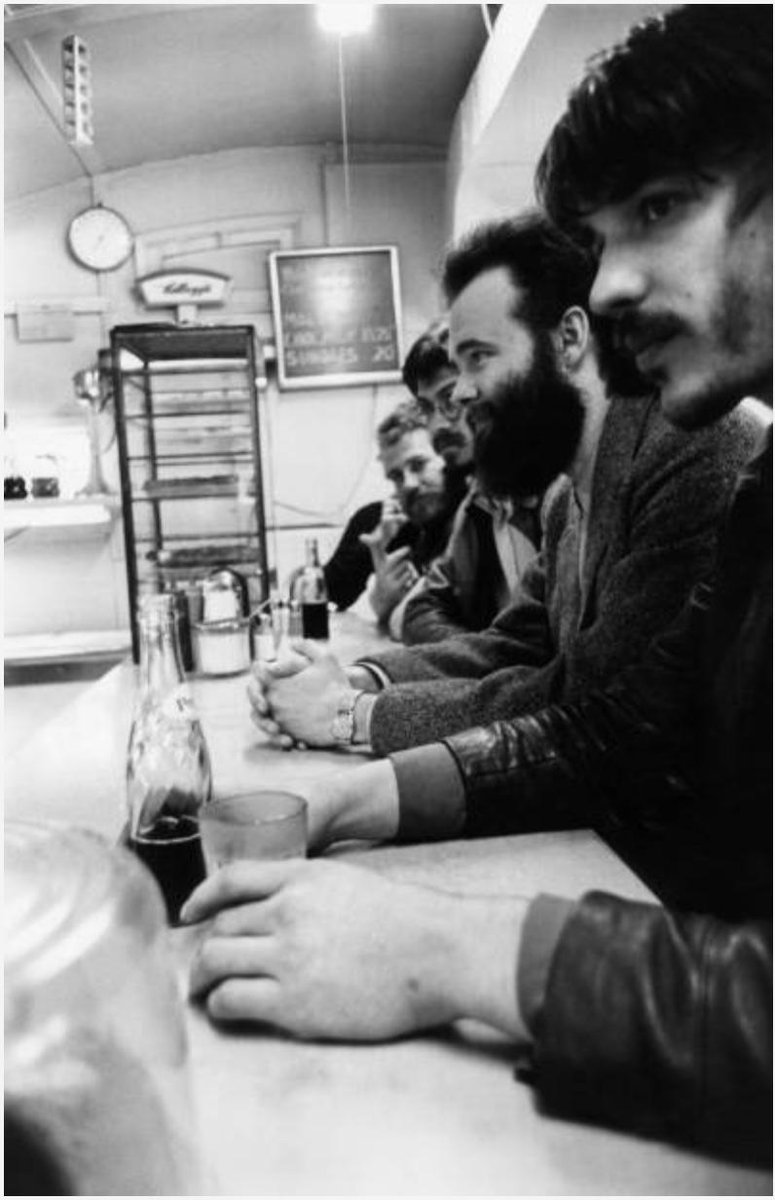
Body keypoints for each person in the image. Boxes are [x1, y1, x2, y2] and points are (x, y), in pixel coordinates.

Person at [184, 5, 772, 1163]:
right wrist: (366, 792)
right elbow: (615, 729)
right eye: (601, 240)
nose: (608, 289)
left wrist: (452, 950)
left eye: (661, 207)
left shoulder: (707, 452)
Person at [248, 213, 760, 754]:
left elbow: (597, 698)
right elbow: (511, 645)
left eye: (479, 357)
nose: (462, 395)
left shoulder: (692, 445)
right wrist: (355, 679)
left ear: (569, 339)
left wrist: (349, 716)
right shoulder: (566, 500)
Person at [401, 318, 544, 643]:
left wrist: (479, 658)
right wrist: (476, 655)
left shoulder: (557, 490)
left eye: (450, 398)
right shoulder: (481, 502)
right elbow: (421, 610)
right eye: (426, 409)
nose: (437, 426)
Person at [319, 403, 466, 629]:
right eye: (396, 476)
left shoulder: (472, 518)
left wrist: (385, 606)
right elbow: (326, 595)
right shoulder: (385, 518)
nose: (408, 484)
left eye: (418, 465)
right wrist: (373, 548)